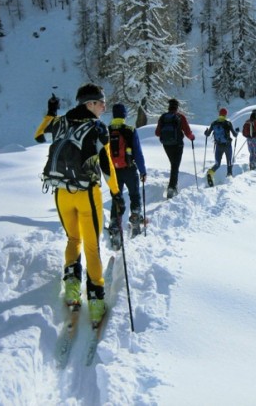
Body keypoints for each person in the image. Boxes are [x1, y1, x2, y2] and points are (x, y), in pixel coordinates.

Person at [34, 83, 124, 326]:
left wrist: (51, 112)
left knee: (73, 240)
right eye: (100, 102)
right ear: (89, 104)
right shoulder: (97, 128)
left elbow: (38, 135)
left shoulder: (61, 121)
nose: (104, 106)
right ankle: (95, 303)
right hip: (87, 194)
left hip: (61, 193)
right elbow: (106, 165)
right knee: (92, 246)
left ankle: (72, 289)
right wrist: (116, 194)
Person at [107, 103, 147, 243]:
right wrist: (143, 171)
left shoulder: (108, 130)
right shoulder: (129, 129)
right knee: (134, 195)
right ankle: (135, 219)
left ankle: (115, 226)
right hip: (129, 169)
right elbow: (138, 152)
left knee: (116, 199)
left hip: (113, 171)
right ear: (124, 115)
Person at [155, 98, 195, 199]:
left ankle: (173, 185)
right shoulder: (180, 117)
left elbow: (157, 133)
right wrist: (192, 137)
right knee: (175, 165)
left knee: (173, 164)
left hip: (166, 145)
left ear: (169, 107)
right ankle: (172, 187)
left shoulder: (163, 117)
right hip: (178, 145)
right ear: (177, 107)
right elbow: (187, 131)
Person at [205, 108, 239, 186]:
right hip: (227, 146)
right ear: (225, 114)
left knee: (217, 164)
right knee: (229, 162)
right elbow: (234, 135)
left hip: (218, 146)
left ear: (219, 114)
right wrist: (237, 131)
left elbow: (207, 134)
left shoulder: (214, 123)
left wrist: (206, 132)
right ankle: (229, 179)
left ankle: (210, 173)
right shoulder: (228, 123)